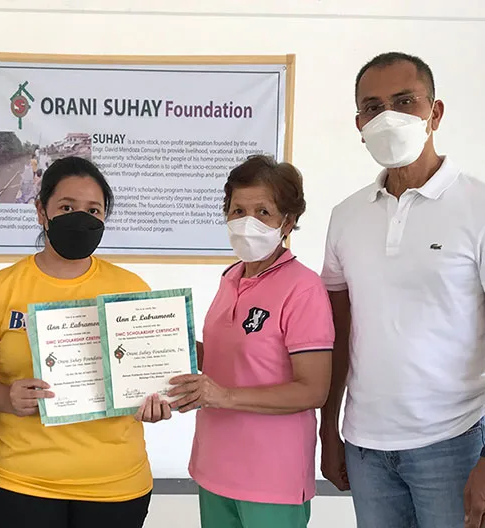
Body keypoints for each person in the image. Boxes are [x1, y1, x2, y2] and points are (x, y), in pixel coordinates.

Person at [0, 156, 171, 528]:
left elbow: (147, 369)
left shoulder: (130, 289)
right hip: (20, 482)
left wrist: (156, 399)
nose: (80, 217)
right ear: (41, 211)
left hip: (115, 485)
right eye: (66, 207)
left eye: (93, 210)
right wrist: (5, 397)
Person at [320, 52, 485, 528]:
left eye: (404, 101)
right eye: (372, 107)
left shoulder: (477, 207)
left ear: (434, 114)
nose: (387, 116)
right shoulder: (346, 216)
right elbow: (338, 329)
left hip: (453, 443)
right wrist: (329, 430)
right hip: (366, 446)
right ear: (359, 123)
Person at [169, 156, 334, 528]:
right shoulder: (230, 279)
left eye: (263, 212)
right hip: (214, 465)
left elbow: (313, 390)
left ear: (287, 222)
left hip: (270, 477)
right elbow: (231, 361)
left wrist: (224, 396)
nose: (248, 221)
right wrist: (178, 349)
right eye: (238, 210)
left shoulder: (302, 288)